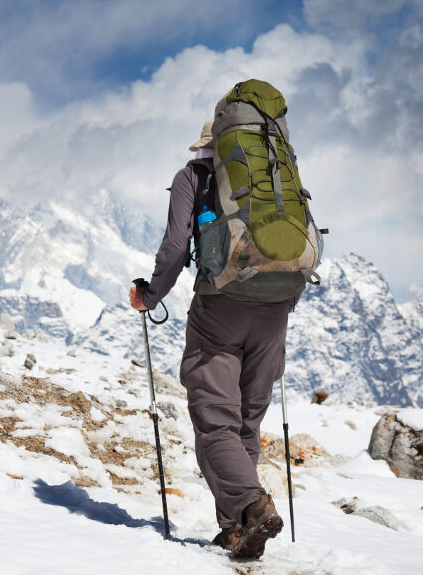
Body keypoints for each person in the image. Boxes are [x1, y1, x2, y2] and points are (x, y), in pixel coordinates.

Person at [129, 116, 295, 559]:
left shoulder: (193, 177)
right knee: (245, 422)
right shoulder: (276, 176)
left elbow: (176, 246)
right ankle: (238, 526)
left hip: (221, 308)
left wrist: (149, 294)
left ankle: (252, 507)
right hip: (275, 309)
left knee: (214, 419)